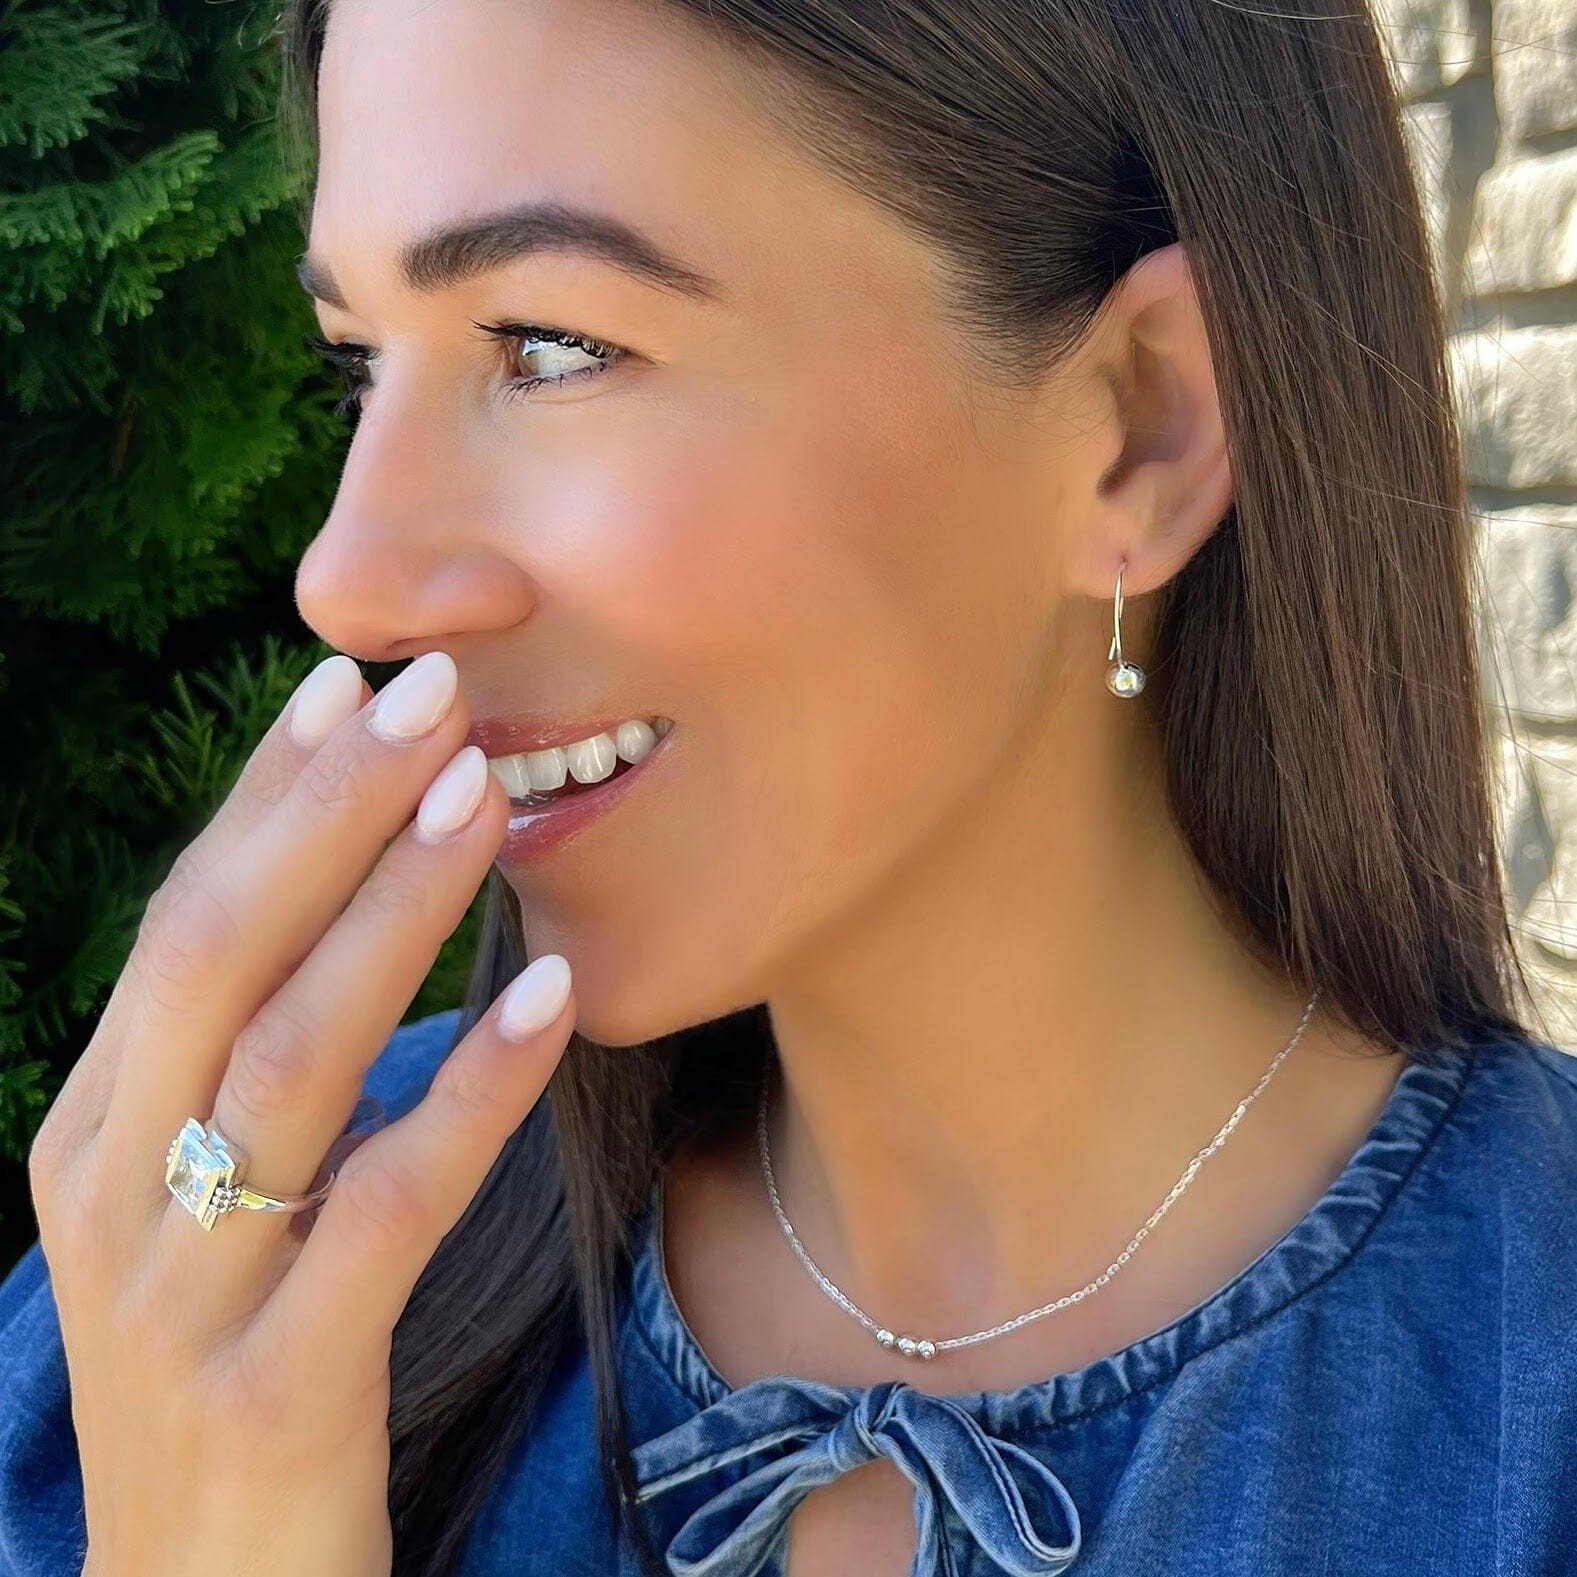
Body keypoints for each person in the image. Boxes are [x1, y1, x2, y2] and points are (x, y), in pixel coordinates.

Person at [3, 0, 1575, 1571]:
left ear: (1138, 427)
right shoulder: (188, 1330)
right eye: (358, 363)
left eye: (554, 347)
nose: (346, 578)